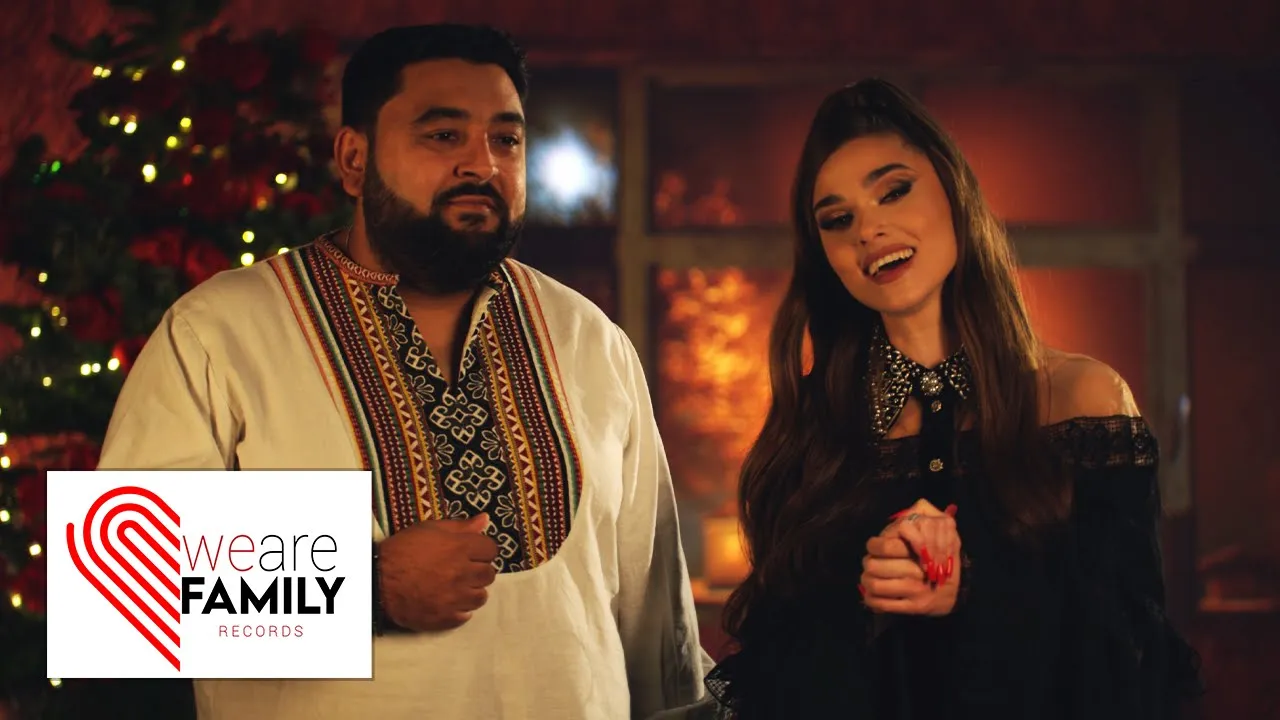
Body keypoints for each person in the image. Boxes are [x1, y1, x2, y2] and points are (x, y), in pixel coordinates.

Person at [97, 23, 709, 720]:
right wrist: (366, 586)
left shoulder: (590, 339)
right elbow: (120, 585)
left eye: (506, 139)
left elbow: (658, 627)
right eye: (443, 135)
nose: (482, 165)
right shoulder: (219, 331)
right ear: (354, 159)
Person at [700, 79, 1203, 718]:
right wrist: (865, 596)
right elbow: (778, 683)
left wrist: (973, 585)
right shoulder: (811, 432)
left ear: (954, 192)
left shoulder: (1084, 399)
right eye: (838, 219)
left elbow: (1131, 659)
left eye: (893, 191)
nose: (869, 230)